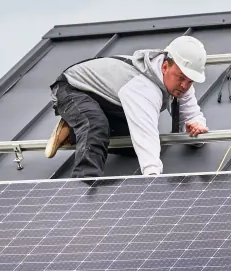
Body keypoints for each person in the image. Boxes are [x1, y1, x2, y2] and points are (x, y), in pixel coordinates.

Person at [44, 35, 212, 178]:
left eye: (190, 81)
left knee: (131, 147)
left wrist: (197, 127)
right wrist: (153, 176)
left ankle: (72, 131)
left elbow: (191, 116)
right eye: (181, 78)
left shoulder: (181, 84)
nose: (184, 85)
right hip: (73, 88)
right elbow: (145, 133)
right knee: (95, 125)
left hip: (106, 100)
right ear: (165, 66)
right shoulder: (144, 87)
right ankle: (84, 186)